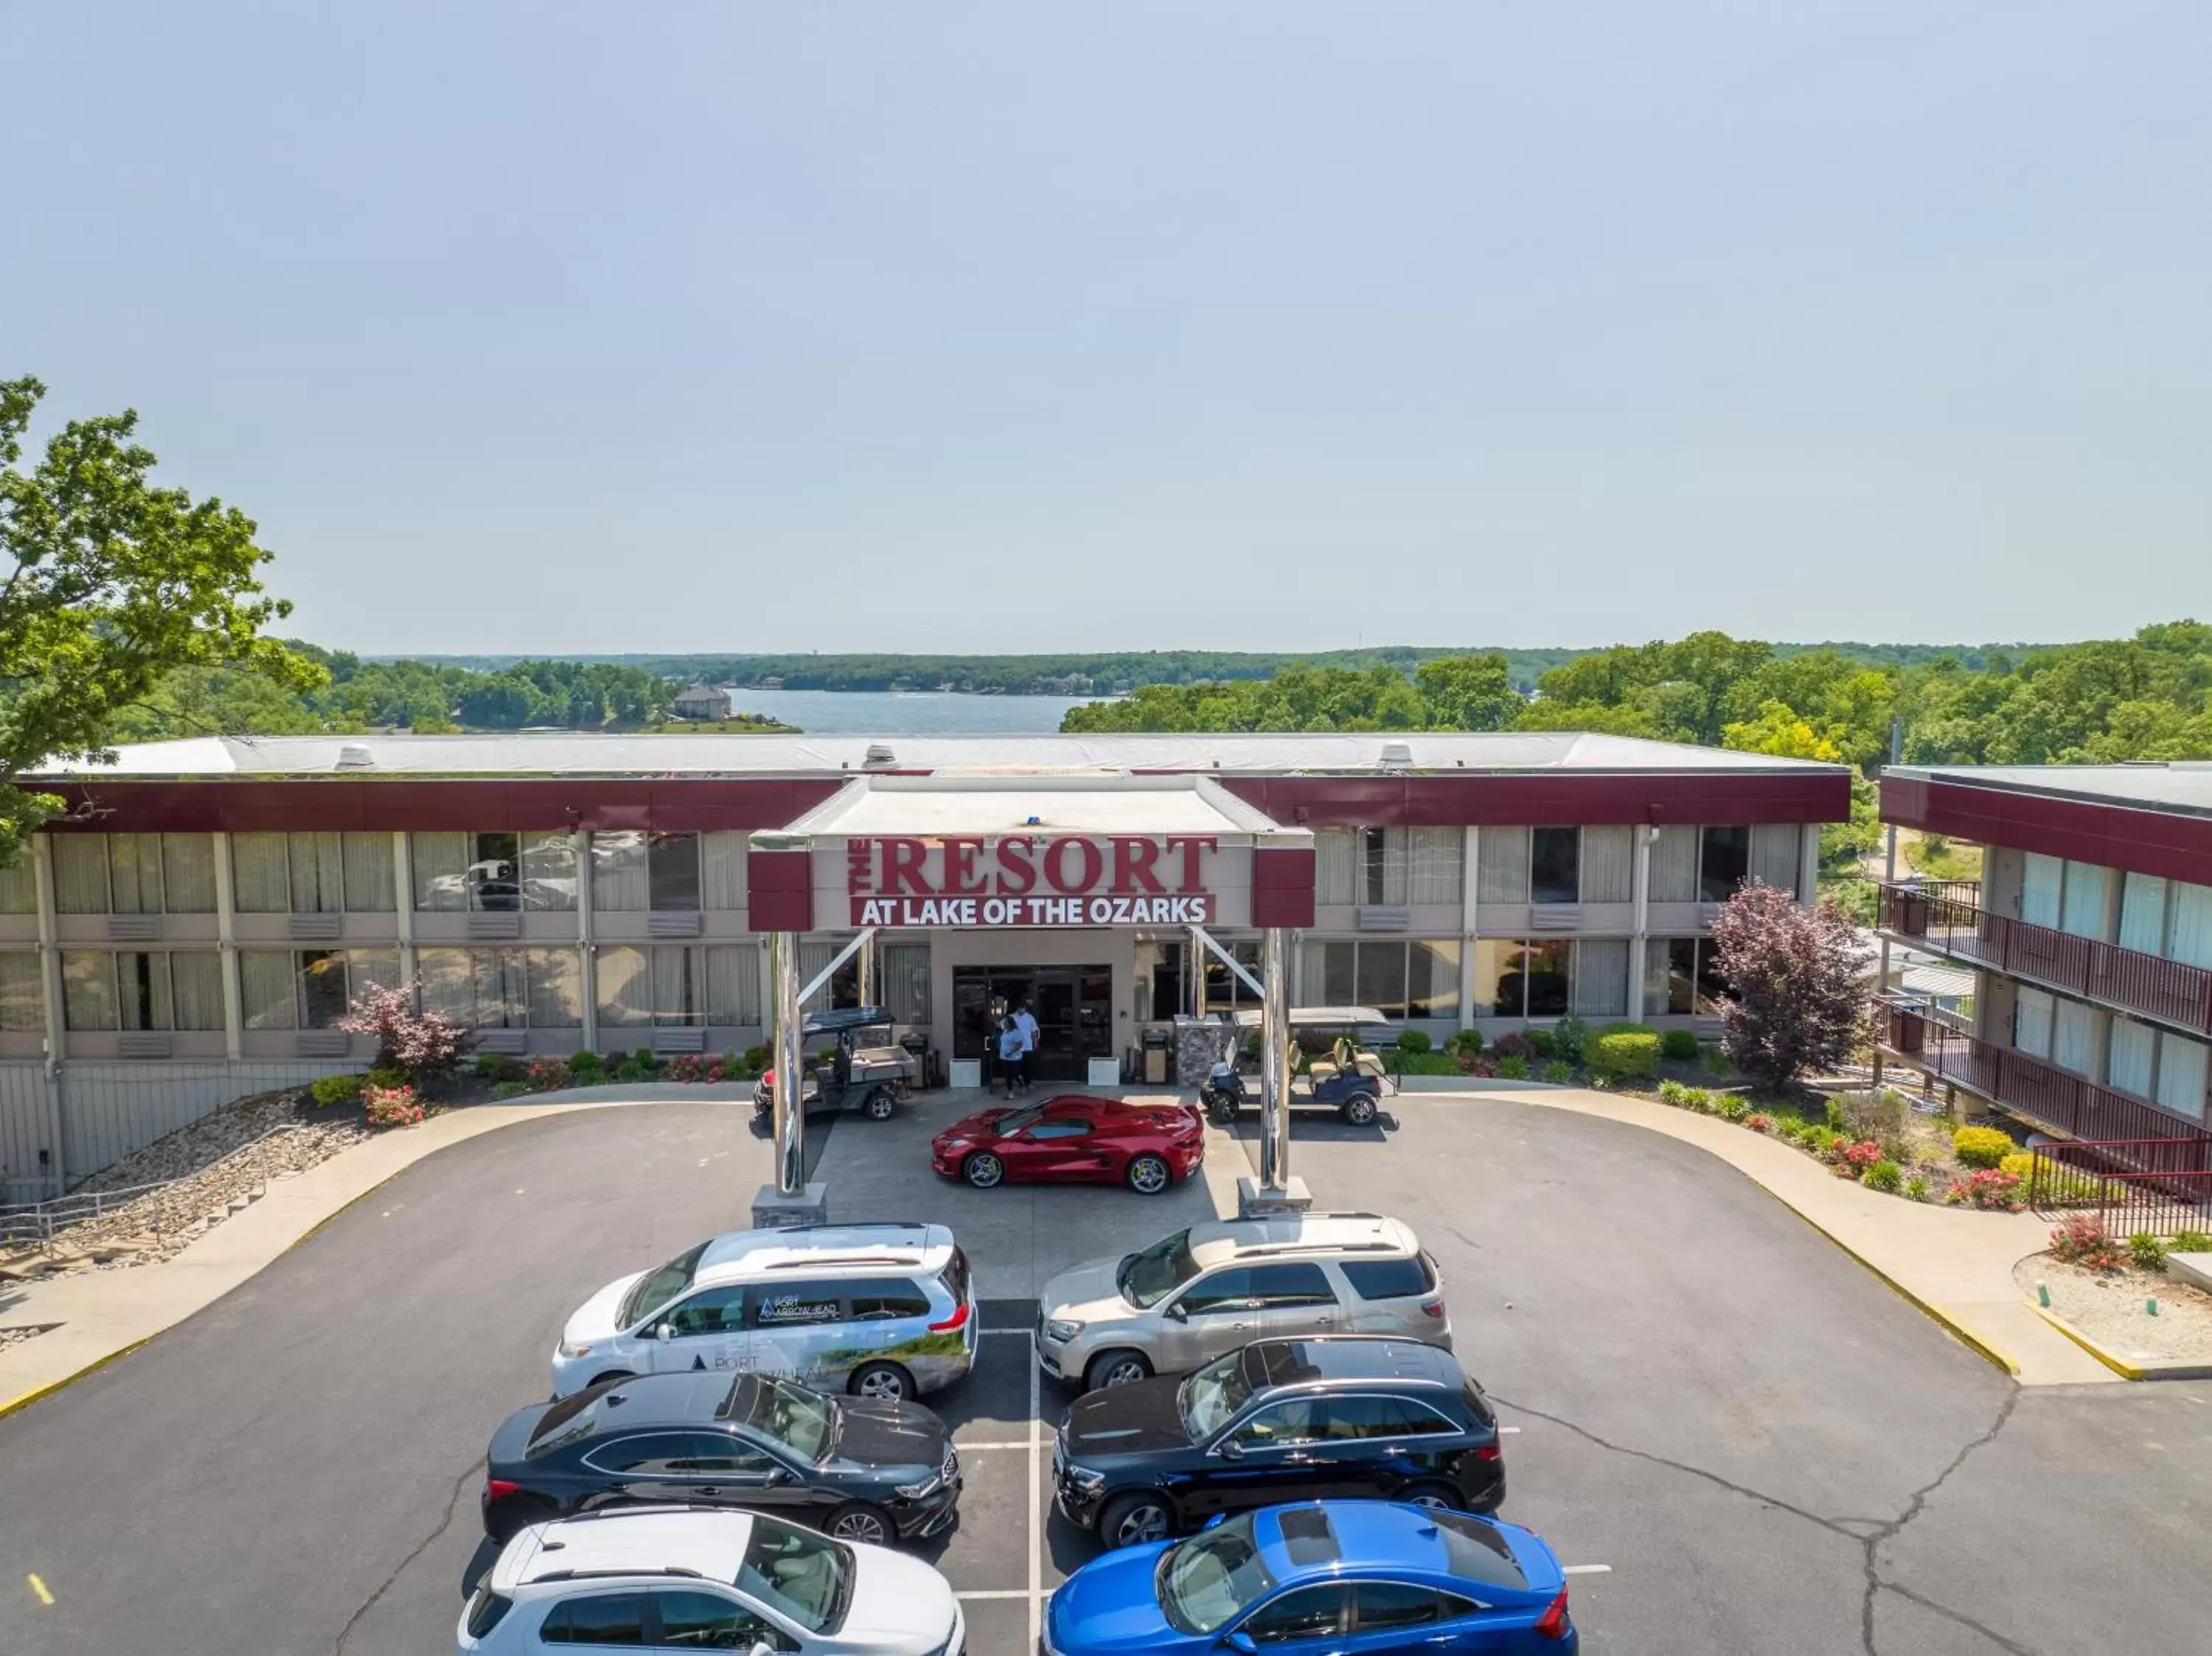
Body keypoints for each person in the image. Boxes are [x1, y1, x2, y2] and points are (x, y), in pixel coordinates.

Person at [1014, 1001, 1040, 1093]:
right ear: (1017, 1009)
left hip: (1028, 1045)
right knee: (1018, 1066)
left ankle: (1028, 1082)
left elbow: (1033, 1032)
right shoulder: (1012, 1018)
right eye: (1020, 1008)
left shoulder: (1030, 1018)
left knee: (1028, 1065)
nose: (1022, 1010)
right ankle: (1021, 1083)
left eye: (1023, 1008)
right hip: (1016, 1046)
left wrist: (1035, 1043)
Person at [997, 1016, 1026, 1097]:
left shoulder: (1016, 1033)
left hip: (1014, 1058)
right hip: (1004, 1057)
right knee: (1008, 1075)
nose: (1004, 1024)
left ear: (1010, 1024)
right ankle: (1010, 1093)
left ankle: (1021, 1083)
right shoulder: (1005, 1032)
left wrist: (1010, 1052)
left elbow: (1020, 1045)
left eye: (1005, 1023)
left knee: (1015, 1075)